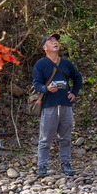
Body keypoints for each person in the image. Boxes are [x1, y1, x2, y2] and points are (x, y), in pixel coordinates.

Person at [32, 32, 82, 177]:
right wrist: (46, 89)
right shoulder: (40, 64)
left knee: (65, 137)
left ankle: (66, 163)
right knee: (45, 138)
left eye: (56, 40)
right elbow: (36, 84)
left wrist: (74, 92)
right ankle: (42, 165)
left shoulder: (66, 63)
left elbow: (77, 77)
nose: (55, 43)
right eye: (50, 41)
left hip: (66, 105)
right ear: (44, 47)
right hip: (49, 105)